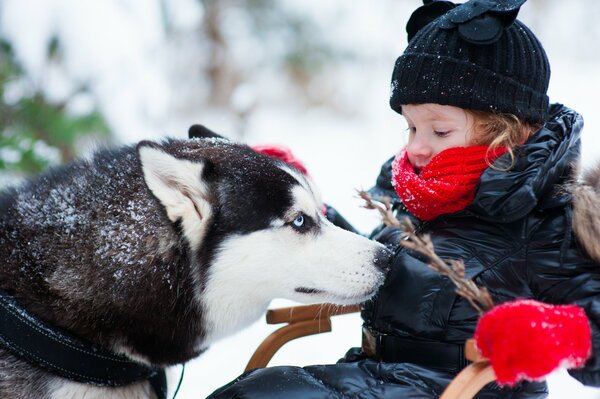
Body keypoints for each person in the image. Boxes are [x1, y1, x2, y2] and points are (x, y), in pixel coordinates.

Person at [207, 0, 600, 397]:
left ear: (509, 133)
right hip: (373, 373)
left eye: (439, 131)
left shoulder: (548, 220)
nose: (416, 147)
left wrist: (564, 333)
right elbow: (379, 267)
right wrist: (307, 215)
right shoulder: (416, 198)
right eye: (411, 127)